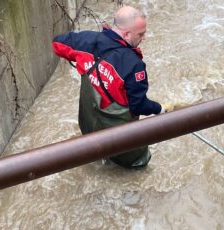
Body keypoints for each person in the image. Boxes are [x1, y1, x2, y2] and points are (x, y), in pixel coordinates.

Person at [52, 6, 172, 168]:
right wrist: (160, 109)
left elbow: (57, 43)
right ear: (127, 34)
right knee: (139, 165)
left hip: (88, 126)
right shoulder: (133, 65)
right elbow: (138, 106)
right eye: (141, 34)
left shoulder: (87, 41)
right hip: (118, 139)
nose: (144, 38)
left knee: (93, 158)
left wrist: (81, 61)